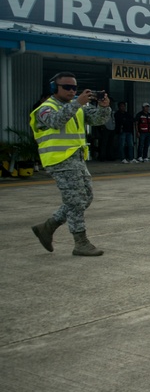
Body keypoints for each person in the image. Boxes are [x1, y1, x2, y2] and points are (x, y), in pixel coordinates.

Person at [29, 72, 112, 256]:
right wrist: (77, 103)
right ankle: (80, 242)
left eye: (74, 87)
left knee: (85, 198)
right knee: (75, 201)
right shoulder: (45, 108)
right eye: (67, 87)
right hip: (59, 160)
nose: (72, 91)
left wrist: (104, 107)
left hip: (77, 159)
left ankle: (47, 227)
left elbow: (99, 119)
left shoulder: (78, 107)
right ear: (54, 88)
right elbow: (55, 121)